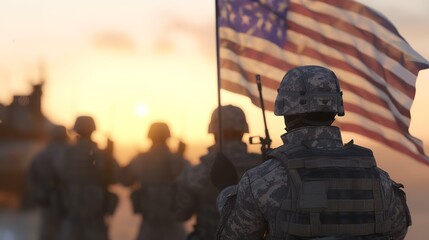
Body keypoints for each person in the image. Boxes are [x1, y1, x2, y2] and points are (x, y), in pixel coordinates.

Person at [216, 66, 412, 240]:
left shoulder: (262, 179)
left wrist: (226, 194)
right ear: (336, 107)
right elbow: (398, 232)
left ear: (285, 108)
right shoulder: (380, 179)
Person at [175, 105, 262, 240]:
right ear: (243, 131)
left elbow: (180, 213)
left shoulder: (197, 172)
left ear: (213, 131)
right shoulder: (262, 167)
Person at [121, 122, 189, 240]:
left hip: (149, 224)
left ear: (150, 137)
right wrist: (181, 156)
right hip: (173, 225)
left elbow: (125, 180)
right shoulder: (176, 159)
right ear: (168, 137)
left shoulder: (141, 159)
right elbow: (191, 181)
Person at [59, 116, 119, 240]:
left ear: (76, 130)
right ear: (93, 130)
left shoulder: (65, 153)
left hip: (71, 217)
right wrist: (110, 154)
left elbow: (57, 177)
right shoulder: (102, 154)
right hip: (95, 219)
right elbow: (117, 178)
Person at [27, 125, 69, 240]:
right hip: (68, 202)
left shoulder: (42, 155)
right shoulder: (71, 154)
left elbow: (31, 175)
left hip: (47, 201)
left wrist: (38, 194)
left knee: (48, 233)